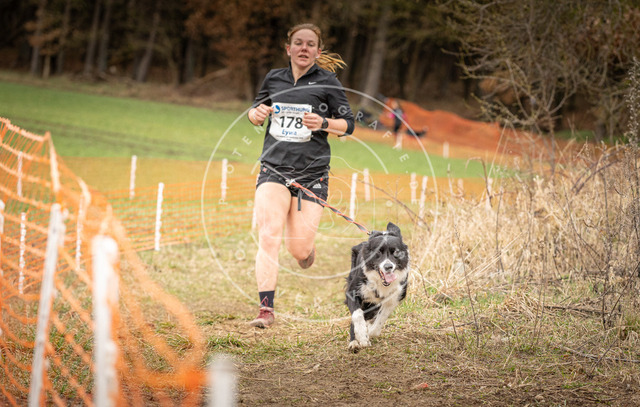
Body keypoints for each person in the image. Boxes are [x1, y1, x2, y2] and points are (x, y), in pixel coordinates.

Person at [246, 23, 355, 328]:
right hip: (273, 168)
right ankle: (265, 311)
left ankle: (306, 251)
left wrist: (323, 123)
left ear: (318, 51)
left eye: (310, 44)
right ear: (288, 48)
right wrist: (255, 114)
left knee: (298, 248)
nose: (303, 48)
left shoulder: (328, 82)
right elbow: (256, 111)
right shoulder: (274, 78)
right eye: (298, 43)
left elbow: (349, 125)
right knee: (268, 234)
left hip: (312, 174)